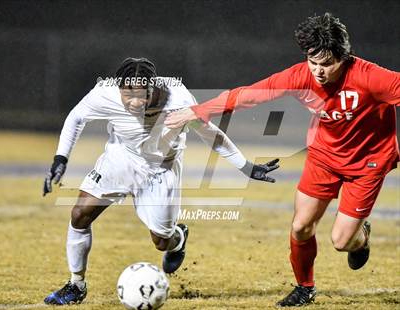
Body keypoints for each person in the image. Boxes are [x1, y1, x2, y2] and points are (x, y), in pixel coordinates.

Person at [165, 13, 400, 307]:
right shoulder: (299, 76)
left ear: (345, 57)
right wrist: (198, 111)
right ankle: (305, 287)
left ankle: (361, 236)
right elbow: (247, 96)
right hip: (324, 157)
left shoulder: (372, 78)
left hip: (368, 164)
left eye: (327, 64)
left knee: (341, 242)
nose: (318, 71)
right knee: (301, 226)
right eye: (313, 62)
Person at [42, 57, 280, 305]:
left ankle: (177, 239)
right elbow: (76, 118)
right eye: (127, 94)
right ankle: (76, 285)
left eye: (141, 95)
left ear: (153, 87)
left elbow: (210, 134)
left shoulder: (178, 97)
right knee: (80, 214)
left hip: (161, 169)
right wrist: (61, 158)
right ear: (118, 87)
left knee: (161, 241)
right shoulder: (104, 92)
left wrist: (245, 166)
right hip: (120, 159)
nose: (134, 102)